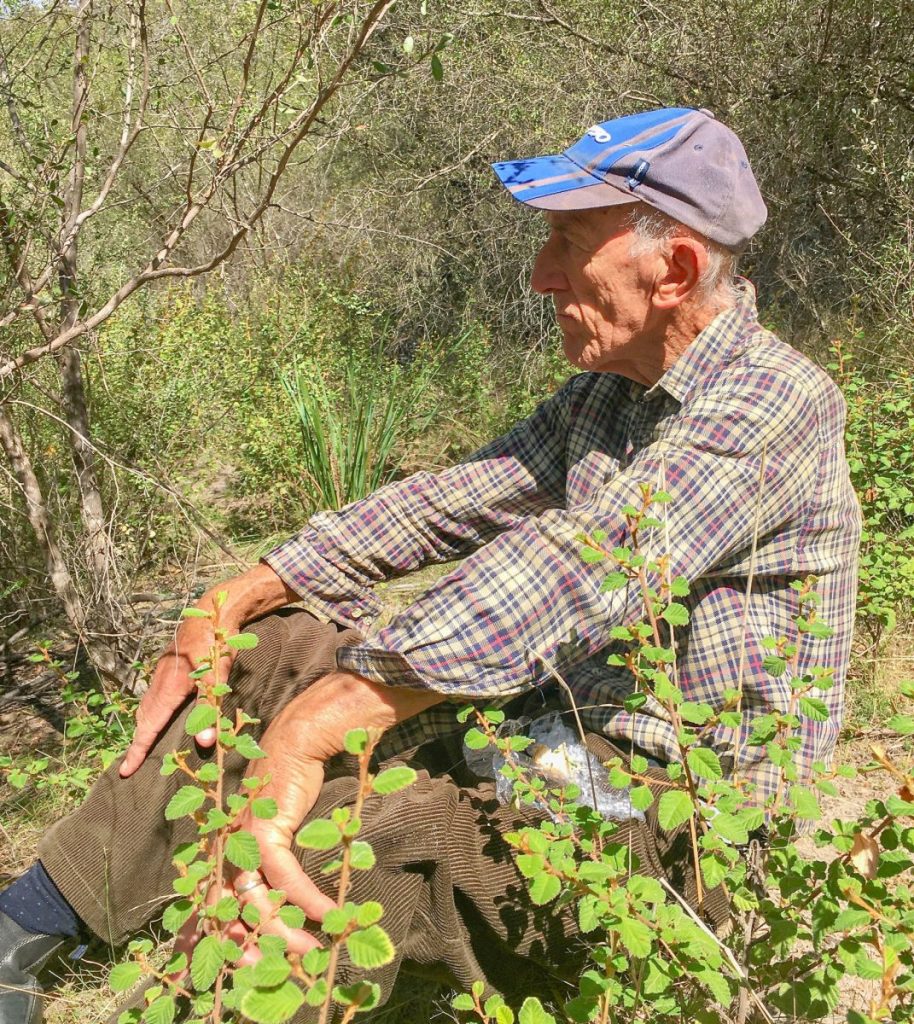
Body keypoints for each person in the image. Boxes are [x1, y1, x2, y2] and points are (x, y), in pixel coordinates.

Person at [0, 107, 861, 1023]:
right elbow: (450, 499)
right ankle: (30, 927)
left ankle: (230, 983)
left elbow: (577, 568)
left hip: (669, 822)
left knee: (360, 834)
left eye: (568, 244)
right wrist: (238, 593)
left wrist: (312, 729)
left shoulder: (775, 405)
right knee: (256, 655)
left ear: (675, 270)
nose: (541, 276)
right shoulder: (611, 393)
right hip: (548, 738)